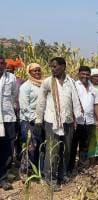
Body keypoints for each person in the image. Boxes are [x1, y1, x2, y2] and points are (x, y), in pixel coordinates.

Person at [35, 57, 83, 190]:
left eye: (55, 66)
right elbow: (41, 102)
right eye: (51, 67)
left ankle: (61, 174)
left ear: (63, 66)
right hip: (52, 121)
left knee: (65, 149)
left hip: (67, 121)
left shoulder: (71, 82)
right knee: (52, 149)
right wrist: (39, 120)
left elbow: (75, 101)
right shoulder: (47, 82)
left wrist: (78, 118)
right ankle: (50, 177)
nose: (52, 69)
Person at [68, 66, 98, 172]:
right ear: (79, 74)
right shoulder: (74, 86)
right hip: (77, 121)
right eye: (83, 74)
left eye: (87, 74)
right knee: (72, 145)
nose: (85, 76)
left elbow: (96, 105)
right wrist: (73, 118)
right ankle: (70, 167)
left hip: (89, 121)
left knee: (84, 145)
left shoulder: (93, 88)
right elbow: (70, 103)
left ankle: (82, 166)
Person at [19, 63, 43, 170]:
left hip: (41, 120)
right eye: (34, 71)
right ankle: (27, 170)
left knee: (40, 145)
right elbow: (24, 106)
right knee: (30, 146)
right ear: (29, 72)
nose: (37, 72)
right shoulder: (26, 86)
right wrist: (33, 118)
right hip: (29, 121)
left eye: (38, 70)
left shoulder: (43, 84)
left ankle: (38, 169)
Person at [0, 55, 18, 190]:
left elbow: (14, 96)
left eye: (2, 63)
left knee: (6, 149)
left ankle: (3, 178)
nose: (0, 65)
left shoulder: (11, 78)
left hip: (7, 118)